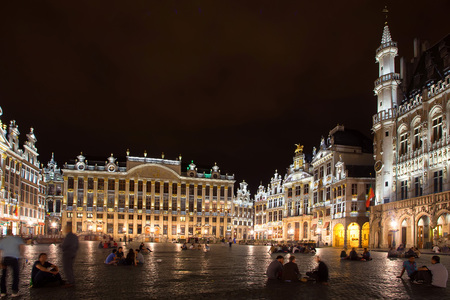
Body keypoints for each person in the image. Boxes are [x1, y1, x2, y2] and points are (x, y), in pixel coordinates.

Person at [0, 229, 25, 297]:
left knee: (3, 276)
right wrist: (21, 255)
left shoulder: (2, 240)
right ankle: (14, 292)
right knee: (15, 275)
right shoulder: (17, 239)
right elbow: (22, 247)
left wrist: (0, 262)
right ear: (11, 233)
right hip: (14, 258)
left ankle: (3, 292)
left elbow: (0, 251)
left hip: (5, 259)